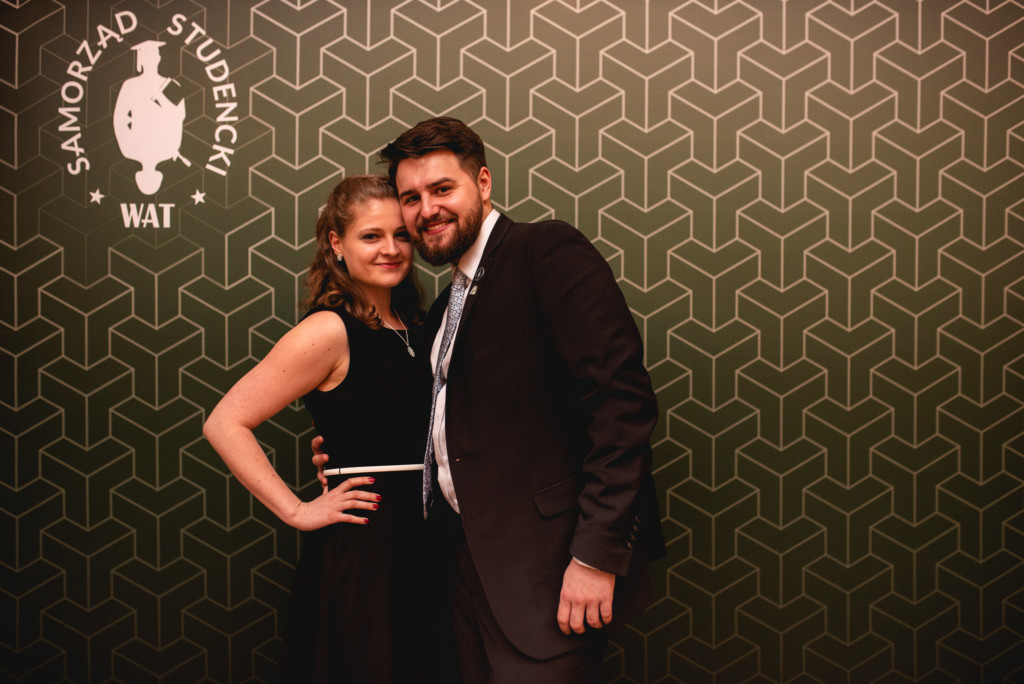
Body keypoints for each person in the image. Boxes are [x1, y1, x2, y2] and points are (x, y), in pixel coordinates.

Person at [314, 118, 665, 683]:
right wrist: (349, 444)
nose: (427, 210)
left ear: (482, 182)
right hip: (456, 575)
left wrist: (596, 556)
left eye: (442, 189)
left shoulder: (544, 252)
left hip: (548, 573)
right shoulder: (441, 310)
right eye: (411, 198)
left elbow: (622, 407)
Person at [203, 174, 433, 683]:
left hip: (426, 540)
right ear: (337, 244)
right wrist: (298, 510)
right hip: (367, 545)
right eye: (371, 236)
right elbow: (225, 422)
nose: (391, 249)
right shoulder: (329, 329)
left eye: (401, 235)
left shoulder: (417, 326)